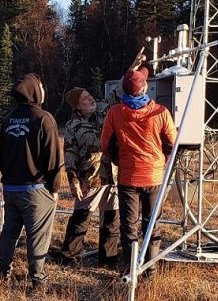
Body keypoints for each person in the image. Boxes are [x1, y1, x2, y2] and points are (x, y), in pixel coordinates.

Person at [100, 61, 176, 273]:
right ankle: (149, 269)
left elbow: (106, 144)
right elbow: (173, 142)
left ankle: (131, 268)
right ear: (144, 88)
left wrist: (118, 160)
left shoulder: (115, 112)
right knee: (152, 224)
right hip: (154, 176)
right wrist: (163, 161)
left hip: (128, 177)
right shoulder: (160, 112)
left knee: (129, 225)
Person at [0, 73, 63, 288]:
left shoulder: (8, 120)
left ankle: (1, 273)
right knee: (38, 236)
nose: (44, 90)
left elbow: (1, 156)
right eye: (41, 86)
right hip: (35, 188)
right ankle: (38, 280)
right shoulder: (44, 119)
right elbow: (54, 158)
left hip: (11, 187)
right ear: (35, 90)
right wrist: (54, 187)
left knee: (9, 233)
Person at [59, 88, 119, 267]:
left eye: (90, 95)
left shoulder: (103, 110)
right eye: (85, 98)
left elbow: (117, 92)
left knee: (111, 221)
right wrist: (74, 181)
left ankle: (108, 260)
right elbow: (70, 154)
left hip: (113, 176)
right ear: (78, 106)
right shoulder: (73, 126)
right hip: (90, 179)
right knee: (81, 220)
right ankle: (69, 258)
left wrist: (134, 68)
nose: (91, 99)